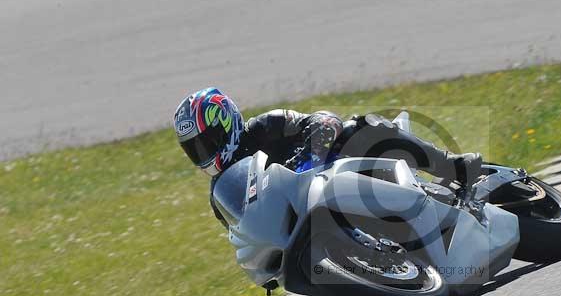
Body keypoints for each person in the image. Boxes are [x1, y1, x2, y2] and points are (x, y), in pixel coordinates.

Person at [173, 87, 483, 224]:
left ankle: (454, 166)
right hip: (311, 226)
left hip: (343, 173)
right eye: (194, 149)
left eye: (206, 142)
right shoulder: (222, 193)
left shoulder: (266, 127)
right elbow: (244, 234)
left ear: (225, 123)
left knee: (360, 128)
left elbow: (324, 120)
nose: (203, 153)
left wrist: (308, 157)